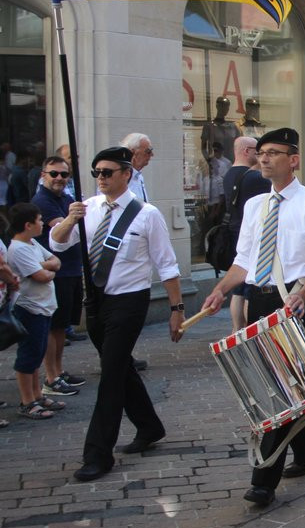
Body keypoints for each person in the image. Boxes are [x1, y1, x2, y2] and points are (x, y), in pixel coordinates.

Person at [198, 127, 305, 507]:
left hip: (291, 301)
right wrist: (220, 290)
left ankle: (264, 479)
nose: (264, 158)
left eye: (274, 152)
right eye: (261, 152)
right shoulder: (255, 204)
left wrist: (303, 294)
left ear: (293, 160)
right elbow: (243, 260)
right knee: (278, 383)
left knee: (276, 391)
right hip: (257, 300)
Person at [51, 146, 184, 482]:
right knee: (120, 366)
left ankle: (97, 454)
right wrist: (70, 218)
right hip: (95, 301)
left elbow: (167, 265)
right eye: (97, 172)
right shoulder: (87, 209)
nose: (101, 179)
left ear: (126, 174)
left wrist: (176, 310)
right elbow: (57, 243)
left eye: (108, 172)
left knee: (110, 375)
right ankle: (149, 427)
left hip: (130, 301)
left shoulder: (146, 214)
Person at [31, 156, 86, 397]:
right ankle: (51, 377)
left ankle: (59, 371)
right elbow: (62, 229)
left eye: (64, 175)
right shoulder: (42, 200)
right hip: (56, 273)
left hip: (72, 268)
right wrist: (74, 219)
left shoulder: (66, 198)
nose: (59, 179)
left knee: (62, 326)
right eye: (54, 174)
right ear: (44, 175)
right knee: (53, 325)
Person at [7, 203, 63, 420]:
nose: (42, 223)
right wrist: (46, 269)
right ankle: (27, 401)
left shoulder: (32, 244)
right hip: (29, 308)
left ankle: (37, 395)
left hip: (44, 307)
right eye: (39, 220)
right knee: (29, 355)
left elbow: (55, 262)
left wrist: (44, 267)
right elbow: (42, 276)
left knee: (38, 352)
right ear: (28, 225)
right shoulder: (18, 249)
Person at [221, 136, 272, 332]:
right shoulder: (254, 177)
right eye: (258, 151)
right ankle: (251, 328)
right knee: (251, 287)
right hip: (251, 236)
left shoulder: (229, 174)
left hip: (235, 232)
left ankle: (237, 329)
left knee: (238, 290)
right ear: (246, 151)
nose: (261, 157)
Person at [120, 133, 153, 202]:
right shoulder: (118, 177)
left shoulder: (138, 176)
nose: (152, 155)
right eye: (148, 151)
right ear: (132, 152)